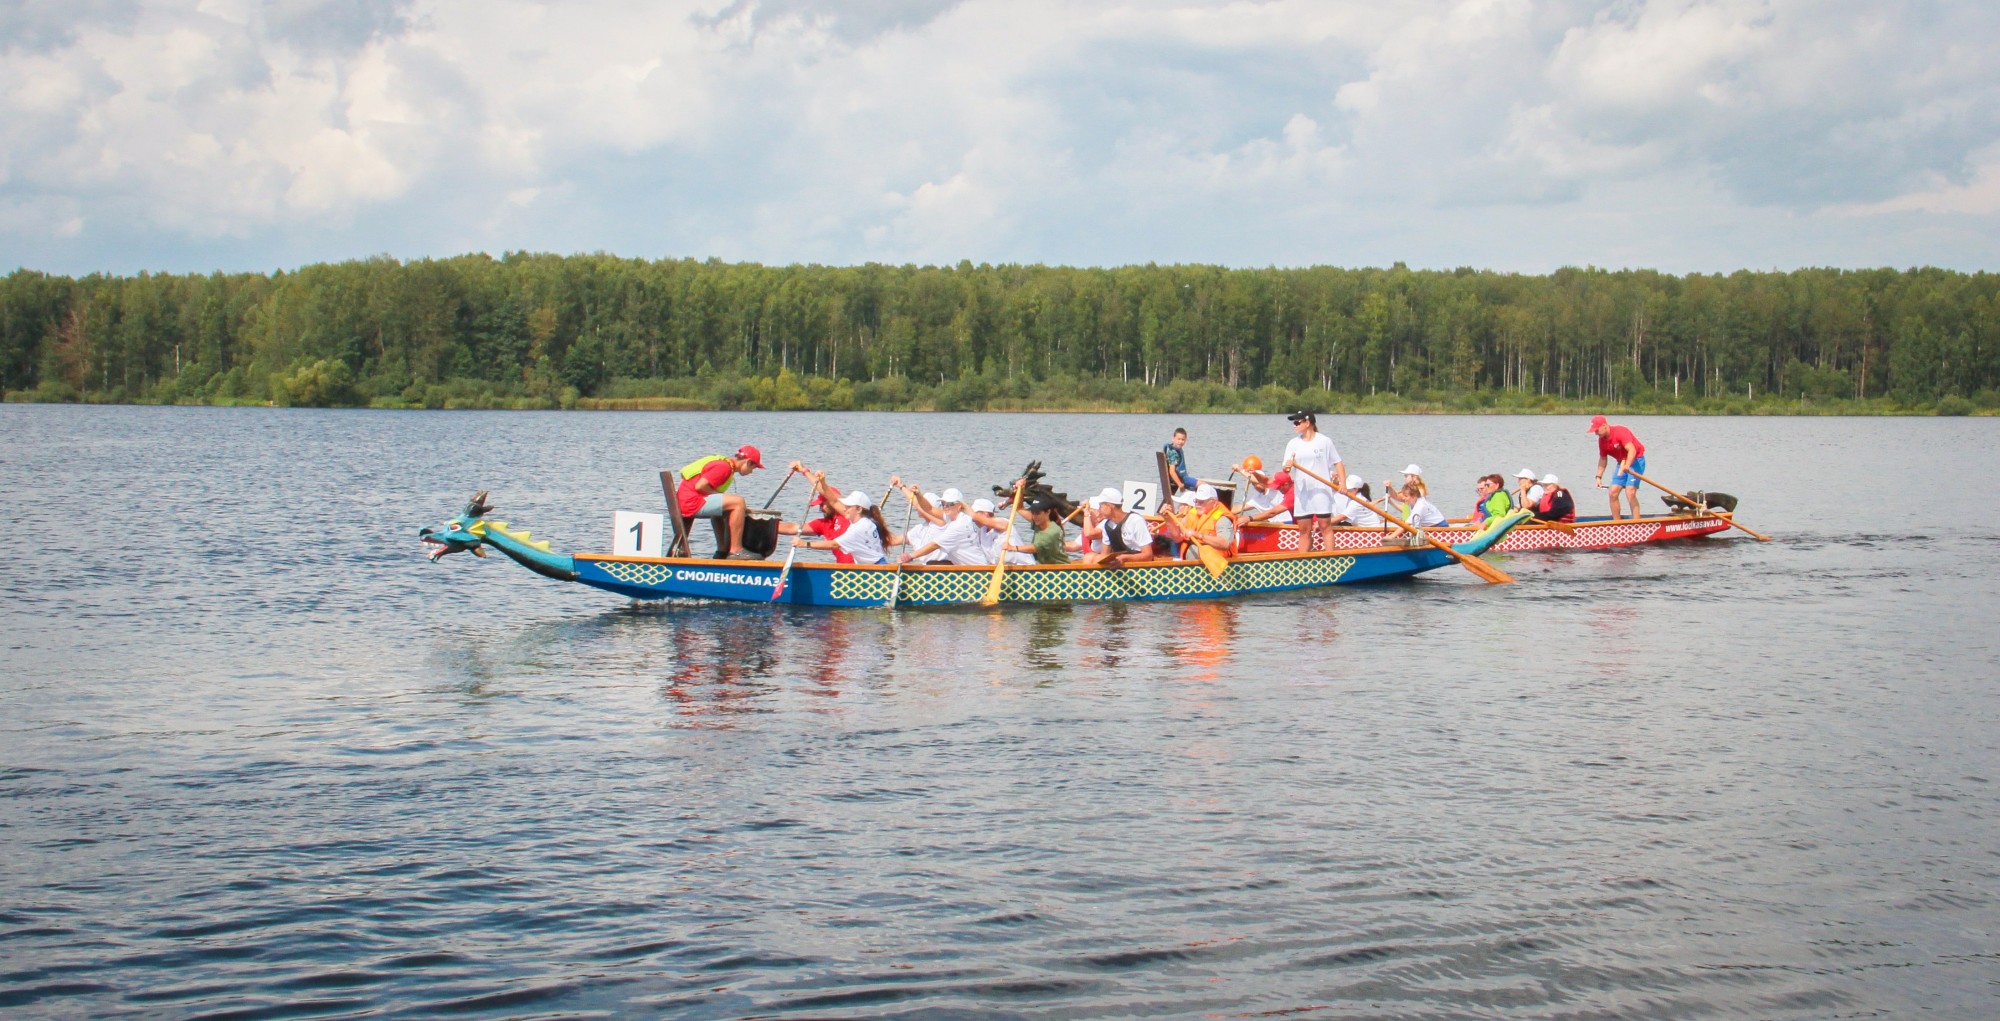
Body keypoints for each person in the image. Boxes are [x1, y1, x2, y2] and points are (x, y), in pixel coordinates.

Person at [675, 444, 764, 559]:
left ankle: (722, 551)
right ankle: (736, 550)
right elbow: (700, 486)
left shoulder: (725, 465)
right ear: (748, 462)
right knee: (738, 502)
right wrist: (721, 496)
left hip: (687, 501)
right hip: (691, 502)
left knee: (724, 506)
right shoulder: (724, 467)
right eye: (753, 467)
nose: (751, 472)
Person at [1281, 411, 1345, 554]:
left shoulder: (1324, 441)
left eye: (1297, 423)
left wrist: (1343, 485)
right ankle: (1302, 560)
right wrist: (1288, 466)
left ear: (1307, 423)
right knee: (1304, 529)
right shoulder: (1293, 443)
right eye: (1294, 423)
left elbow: (1338, 463)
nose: (1294, 426)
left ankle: (1330, 559)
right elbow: (1285, 469)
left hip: (1321, 490)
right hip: (1303, 492)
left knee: (1324, 526)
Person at [791, 489, 891, 565]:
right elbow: (834, 502)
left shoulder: (857, 528)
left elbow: (834, 545)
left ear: (859, 509)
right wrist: (821, 481)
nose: (845, 509)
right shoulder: (868, 521)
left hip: (876, 569)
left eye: (848, 507)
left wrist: (805, 544)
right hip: (875, 566)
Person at [776, 466, 853, 563]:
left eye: (822, 504)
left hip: (862, 567)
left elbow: (829, 495)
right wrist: (764, 526)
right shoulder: (823, 524)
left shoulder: (847, 514)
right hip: (841, 569)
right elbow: (793, 528)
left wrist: (804, 471)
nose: (821, 508)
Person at [899, 488, 991, 565]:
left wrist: (910, 556)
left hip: (978, 571)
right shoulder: (953, 516)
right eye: (943, 504)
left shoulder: (959, 525)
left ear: (959, 506)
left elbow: (934, 545)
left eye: (950, 504)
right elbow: (929, 509)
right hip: (967, 569)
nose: (945, 507)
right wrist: (918, 494)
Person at [1590, 415, 1648, 519]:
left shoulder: (1620, 432)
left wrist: (1627, 466)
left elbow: (1632, 450)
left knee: (1630, 491)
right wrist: (1598, 477)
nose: (1595, 433)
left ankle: (1637, 523)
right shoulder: (1602, 440)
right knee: (1612, 492)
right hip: (1622, 462)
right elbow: (1603, 459)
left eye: (1597, 430)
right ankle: (1617, 523)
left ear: (1604, 426)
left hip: (1636, 460)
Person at [1081, 489, 1155, 566]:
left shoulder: (1135, 520)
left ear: (1110, 506)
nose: (1099, 510)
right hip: (1120, 562)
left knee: (1090, 557)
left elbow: (1148, 555)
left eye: (1101, 506)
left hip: (1138, 564)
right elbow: (1104, 555)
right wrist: (1086, 512)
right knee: (1089, 557)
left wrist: (1125, 558)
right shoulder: (1107, 525)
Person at [1163, 483, 1234, 559]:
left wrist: (1199, 535)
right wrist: (1168, 519)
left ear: (1214, 503)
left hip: (1217, 561)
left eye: (1202, 502)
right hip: (1192, 564)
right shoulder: (1191, 515)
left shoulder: (1222, 519)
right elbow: (1177, 538)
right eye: (1196, 501)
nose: (1198, 505)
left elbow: (1225, 544)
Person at [1004, 496, 1071, 564]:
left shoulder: (1052, 532)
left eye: (1038, 513)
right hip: (1044, 565)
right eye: (1033, 513)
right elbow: (1020, 508)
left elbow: (1035, 548)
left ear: (1048, 512)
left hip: (1059, 567)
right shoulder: (1038, 522)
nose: (1034, 517)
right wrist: (1022, 488)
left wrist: (1014, 548)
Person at [1163, 427, 1197, 493]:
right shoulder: (1173, 452)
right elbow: (1172, 472)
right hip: (1180, 479)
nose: (1180, 441)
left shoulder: (1177, 449)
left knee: (1200, 485)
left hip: (1180, 478)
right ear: (1173, 439)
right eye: (1178, 439)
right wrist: (1180, 485)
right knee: (1203, 485)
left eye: (1183, 440)